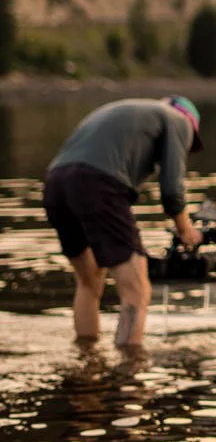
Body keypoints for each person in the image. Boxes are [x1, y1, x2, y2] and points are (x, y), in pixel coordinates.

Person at [42, 96, 204, 350]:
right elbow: (172, 190)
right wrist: (186, 229)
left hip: (55, 184)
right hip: (97, 183)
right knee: (137, 291)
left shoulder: (129, 113)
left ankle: (87, 357)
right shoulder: (178, 120)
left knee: (89, 280)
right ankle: (128, 374)